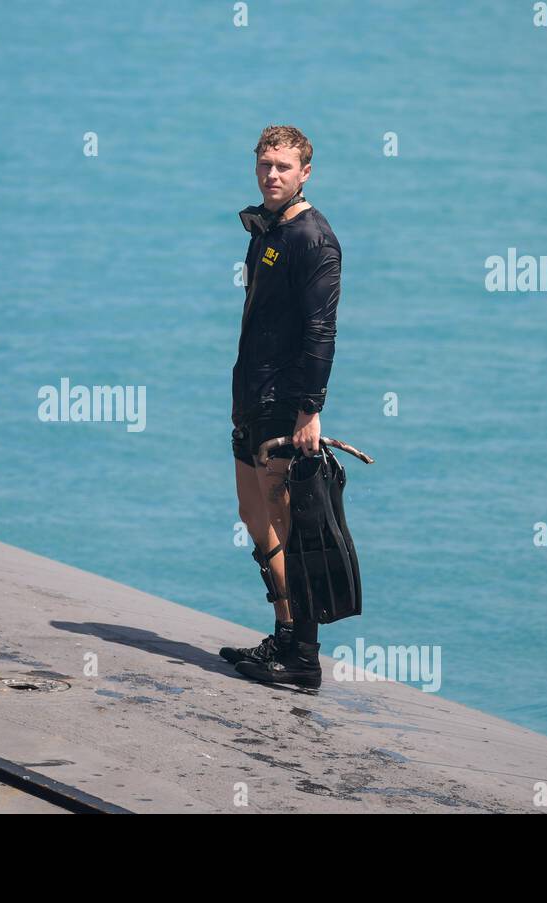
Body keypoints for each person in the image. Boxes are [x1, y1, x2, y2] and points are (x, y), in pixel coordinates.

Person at [219, 125, 342, 687]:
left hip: (284, 404)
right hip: (252, 393)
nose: (272, 174)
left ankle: (303, 654)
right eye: (265, 164)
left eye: (283, 167)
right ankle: (284, 630)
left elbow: (321, 331)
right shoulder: (267, 229)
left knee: (288, 523)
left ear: (305, 173)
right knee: (254, 515)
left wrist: (309, 411)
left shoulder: (313, 239)